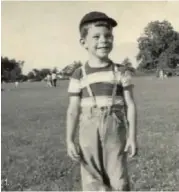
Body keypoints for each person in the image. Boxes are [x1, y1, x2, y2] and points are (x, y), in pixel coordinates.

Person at [66, 11, 138, 191]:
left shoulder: (121, 71)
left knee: (118, 178)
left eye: (108, 36)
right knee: (91, 179)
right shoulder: (78, 74)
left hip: (115, 127)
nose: (103, 40)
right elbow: (73, 110)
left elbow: (130, 105)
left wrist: (132, 137)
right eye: (96, 37)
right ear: (84, 42)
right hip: (87, 129)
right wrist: (69, 139)